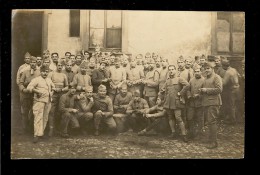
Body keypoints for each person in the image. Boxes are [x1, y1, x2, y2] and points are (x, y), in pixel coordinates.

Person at [159, 65, 189, 142]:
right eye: (170, 70)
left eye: (172, 69)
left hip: (176, 102)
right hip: (168, 102)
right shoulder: (167, 81)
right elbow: (164, 91)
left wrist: (180, 93)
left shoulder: (179, 79)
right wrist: (162, 97)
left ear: (175, 70)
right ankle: (173, 132)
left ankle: (184, 134)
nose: (171, 71)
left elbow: (187, 85)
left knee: (178, 118)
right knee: (170, 117)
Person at [27, 65, 55, 143]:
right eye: (43, 72)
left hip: (48, 101)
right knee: (38, 117)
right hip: (39, 101)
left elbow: (53, 87)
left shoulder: (49, 80)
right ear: (40, 72)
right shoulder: (36, 79)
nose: (45, 73)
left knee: (45, 117)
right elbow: (29, 88)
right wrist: (37, 91)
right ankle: (36, 135)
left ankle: (41, 133)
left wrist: (52, 92)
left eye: (46, 72)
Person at [199, 62, 222, 149]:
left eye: (208, 68)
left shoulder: (216, 77)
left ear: (212, 69)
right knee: (209, 122)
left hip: (214, 103)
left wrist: (206, 90)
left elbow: (219, 89)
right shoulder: (206, 78)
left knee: (212, 122)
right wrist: (201, 91)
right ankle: (210, 139)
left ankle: (214, 142)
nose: (206, 70)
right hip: (207, 103)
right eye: (205, 69)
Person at [18, 56, 41, 134]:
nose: (33, 64)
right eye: (32, 62)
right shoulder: (25, 72)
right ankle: (25, 128)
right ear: (29, 63)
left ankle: (32, 128)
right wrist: (23, 89)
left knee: (34, 112)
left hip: (34, 95)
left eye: (34, 62)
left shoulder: (39, 72)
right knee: (25, 111)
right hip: (26, 95)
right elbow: (20, 83)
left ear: (36, 63)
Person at [47, 60, 69, 137]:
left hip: (61, 94)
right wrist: (54, 88)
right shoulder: (51, 74)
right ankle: (51, 129)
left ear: (63, 67)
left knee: (61, 111)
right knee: (51, 111)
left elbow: (67, 86)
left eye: (61, 66)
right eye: (58, 65)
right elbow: (48, 83)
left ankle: (61, 130)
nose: (59, 67)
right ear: (56, 65)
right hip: (53, 94)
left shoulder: (64, 75)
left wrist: (62, 90)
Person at [186, 64, 205, 140]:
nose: (197, 73)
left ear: (201, 71)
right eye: (195, 71)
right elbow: (188, 89)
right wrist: (188, 95)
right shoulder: (191, 80)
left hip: (200, 103)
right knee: (190, 118)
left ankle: (200, 134)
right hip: (191, 103)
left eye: (198, 71)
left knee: (200, 118)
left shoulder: (204, 80)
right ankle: (191, 133)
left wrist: (199, 95)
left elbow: (205, 92)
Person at [221, 59, 240, 124]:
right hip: (237, 88)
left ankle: (233, 121)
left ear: (224, 66)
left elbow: (224, 83)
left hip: (232, 90)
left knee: (231, 105)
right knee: (236, 104)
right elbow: (239, 76)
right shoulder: (234, 69)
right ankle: (238, 119)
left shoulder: (228, 72)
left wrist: (219, 78)